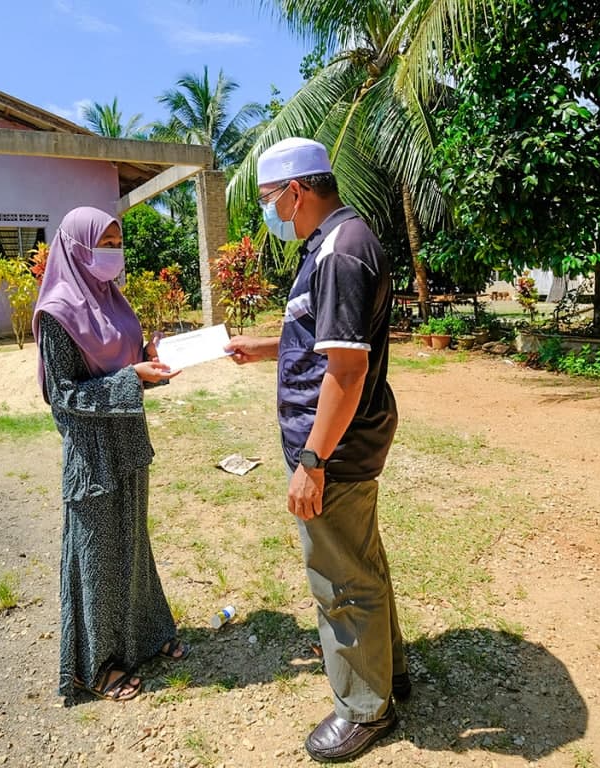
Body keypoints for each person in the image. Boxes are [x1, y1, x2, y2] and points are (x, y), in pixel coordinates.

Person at [226, 138, 407, 762]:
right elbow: (327, 340)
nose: (271, 211)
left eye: (271, 199)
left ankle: (365, 708)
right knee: (361, 560)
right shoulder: (337, 242)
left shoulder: (338, 252)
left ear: (296, 191)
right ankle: (389, 673)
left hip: (334, 448)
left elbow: (349, 371)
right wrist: (265, 347)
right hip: (342, 443)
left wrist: (312, 461)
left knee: (341, 580)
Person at [32, 206, 187, 703]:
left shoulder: (113, 301)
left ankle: (143, 634)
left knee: (131, 542)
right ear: (76, 247)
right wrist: (131, 379)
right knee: (96, 554)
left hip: (128, 439)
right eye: (105, 242)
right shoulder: (56, 312)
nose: (113, 252)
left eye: (117, 241)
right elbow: (65, 397)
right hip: (91, 450)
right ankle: (96, 666)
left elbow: (124, 370)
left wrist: (147, 364)